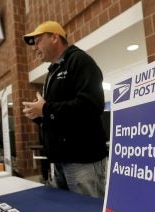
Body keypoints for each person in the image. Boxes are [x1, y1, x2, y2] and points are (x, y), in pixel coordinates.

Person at [22, 21, 108, 198]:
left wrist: (45, 109)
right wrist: (39, 115)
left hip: (83, 160)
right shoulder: (53, 71)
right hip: (60, 161)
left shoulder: (79, 61)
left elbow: (91, 105)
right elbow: (58, 116)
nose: (34, 48)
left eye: (37, 41)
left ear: (54, 37)